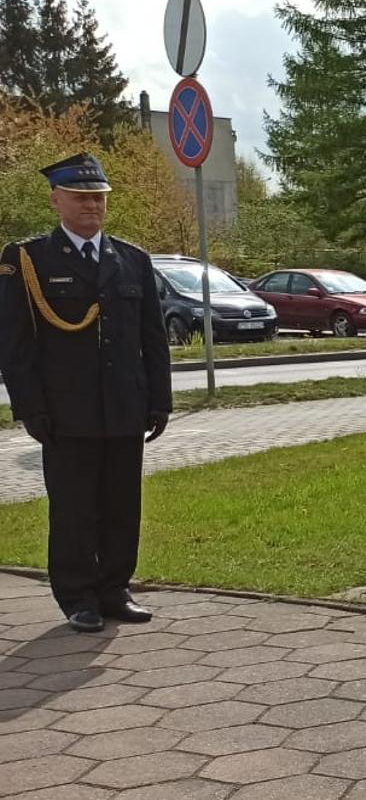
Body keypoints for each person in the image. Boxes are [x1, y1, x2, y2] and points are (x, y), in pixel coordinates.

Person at [0, 153, 171, 633]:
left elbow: (152, 338)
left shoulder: (132, 259)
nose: (91, 206)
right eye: (80, 197)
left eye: (98, 197)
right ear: (56, 200)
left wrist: (160, 400)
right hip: (65, 410)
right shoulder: (29, 260)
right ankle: (77, 596)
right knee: (73, 507)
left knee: (121, 503)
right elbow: (14, 344)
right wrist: (30, 407)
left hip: (124, 404)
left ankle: (115, 588)